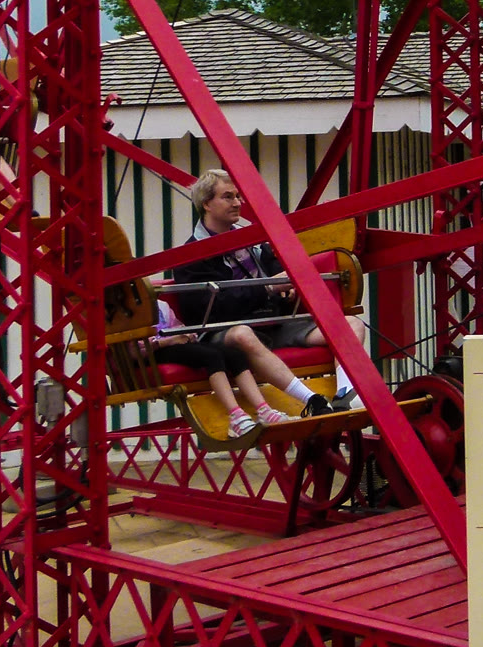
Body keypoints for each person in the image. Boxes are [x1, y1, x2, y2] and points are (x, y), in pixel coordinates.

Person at [170, 169, 365, 414]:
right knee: (242, 334)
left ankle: (345, 395)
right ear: (206, 204)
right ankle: (312, 400)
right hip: (225, 331)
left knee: (351, 324)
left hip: (274, 322)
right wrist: (269, 288)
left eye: (238, 196)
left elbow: (276, 270)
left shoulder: (251, 240)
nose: (237, 203)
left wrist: (287, 289)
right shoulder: (190, 255)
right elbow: (208, 310)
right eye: (228, 197)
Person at [150, 295, 292, 443]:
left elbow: (177, 326)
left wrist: (185, 333)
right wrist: (170, 340)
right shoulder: (136, 312)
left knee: (235, 355)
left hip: (177, 343)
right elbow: (137, 349)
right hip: (156, 351)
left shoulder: (162, 305)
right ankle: (236, 416)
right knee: (211, 356)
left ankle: (264, 409)